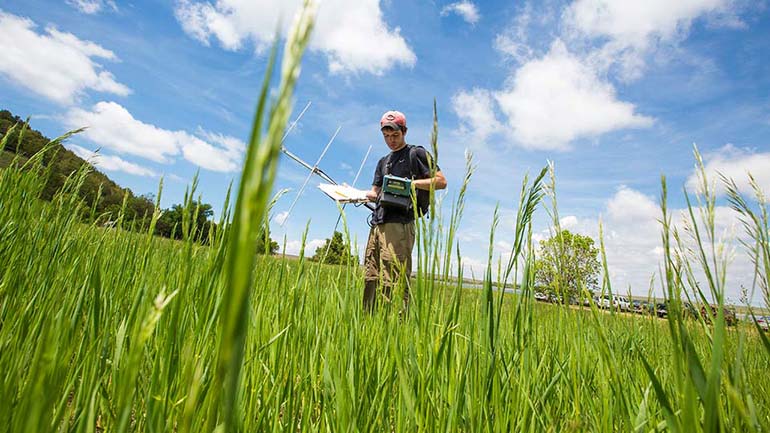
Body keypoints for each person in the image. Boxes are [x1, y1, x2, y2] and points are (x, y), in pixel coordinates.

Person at [363, 110, 447, 311]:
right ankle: (369, 324)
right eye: (386, 136)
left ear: (404, 131)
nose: (391, 140)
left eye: (395, 135)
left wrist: (411, 184)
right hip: (378, 223)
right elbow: (375, 193)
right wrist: (353, 194)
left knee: (394, 278)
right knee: (370, 276)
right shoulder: (383, 162)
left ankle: (395, 327)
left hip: (400, 224)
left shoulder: (415, 154)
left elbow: (441, 181)